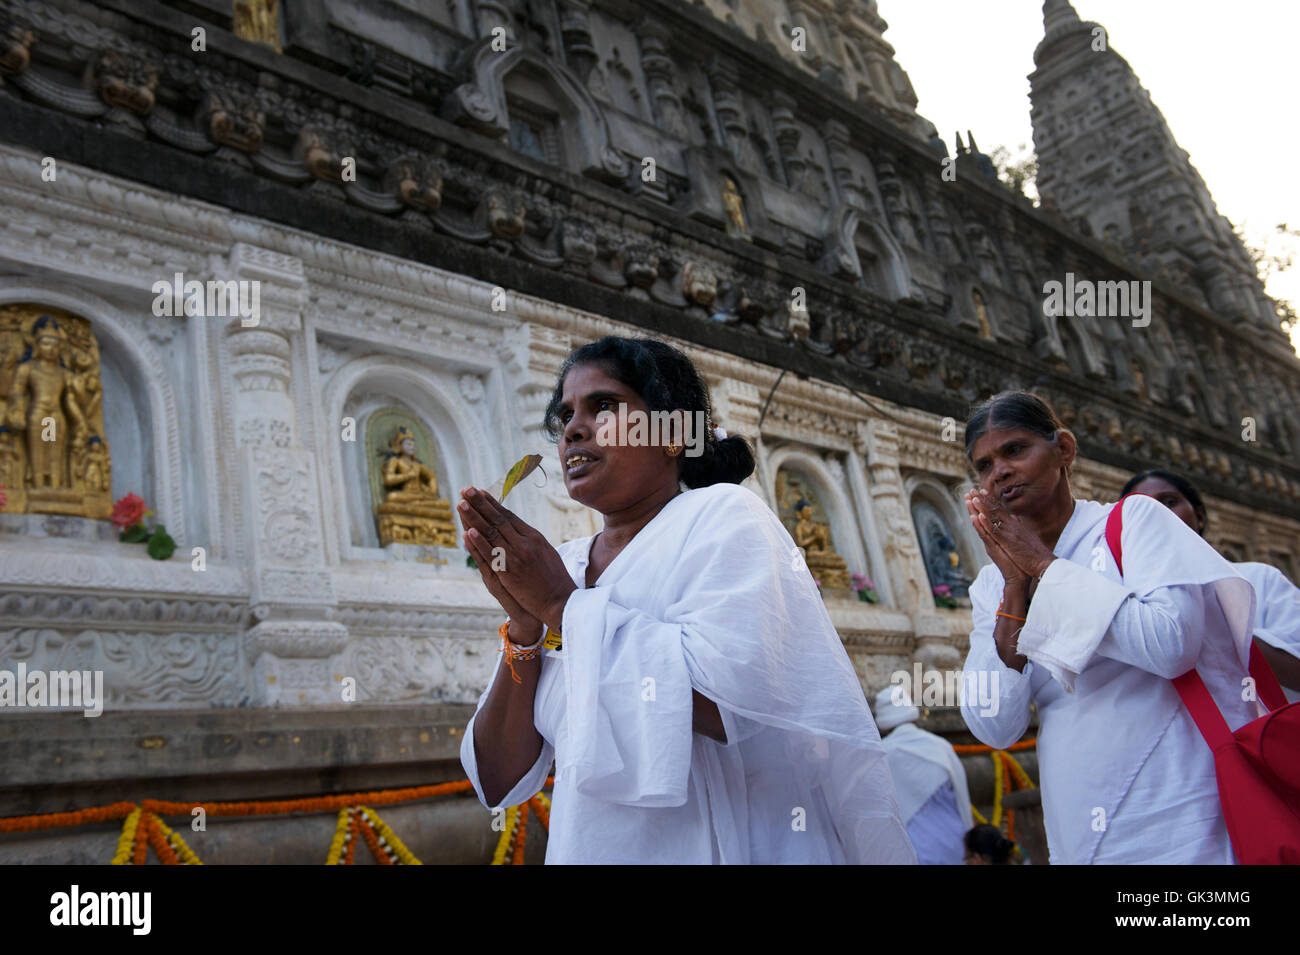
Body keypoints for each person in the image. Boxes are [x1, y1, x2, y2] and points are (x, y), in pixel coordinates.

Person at [458, 336, 916, 864]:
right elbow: (498, 778)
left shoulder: (725, 516)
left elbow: (733, 709)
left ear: (673, 434)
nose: (574, 430)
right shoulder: (562, 565)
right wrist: (525, 628)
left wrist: (564, 609)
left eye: (604, 406)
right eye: (566, 416)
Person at [959, 391, 1259, 864]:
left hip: (1183, 803)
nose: (999, 471)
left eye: (1015, 450)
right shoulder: (990, 584)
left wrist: (1042, 566)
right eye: (984, 465)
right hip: (1080, 822)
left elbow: (1171, 645)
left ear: (1063, 449)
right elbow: (993, 726)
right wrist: (1014, 592)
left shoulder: (1133, 522)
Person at [1122, 468, 1300, 702]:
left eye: (1169, 502)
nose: (1158, 514)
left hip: (1266, 733)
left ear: (1200, 516)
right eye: (1141, 508)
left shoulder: (1258, 578)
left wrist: (1214, 627)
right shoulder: (1126, 600)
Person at [874, 687, 972, 864]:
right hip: (954, 846)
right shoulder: (941, 747)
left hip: (910, 851)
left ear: (883, 724)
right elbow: (962, 798)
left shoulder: (881, 755)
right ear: (915, 717)